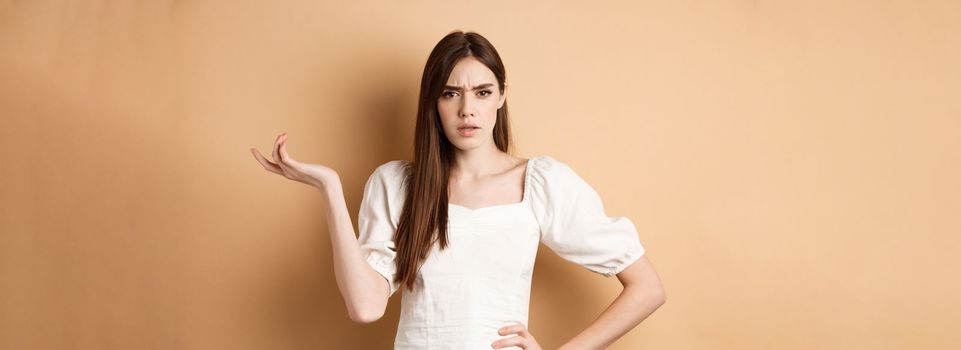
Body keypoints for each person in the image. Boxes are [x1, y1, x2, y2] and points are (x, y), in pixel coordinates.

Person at [251, 30, 665, 350]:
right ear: (433, 102)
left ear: (501, 97)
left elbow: (647, 288)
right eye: (451, 93)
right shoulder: (395, 184)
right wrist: (330, 187)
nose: (467, 109)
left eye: (482, 93)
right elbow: (365, 307)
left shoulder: (540, 183)